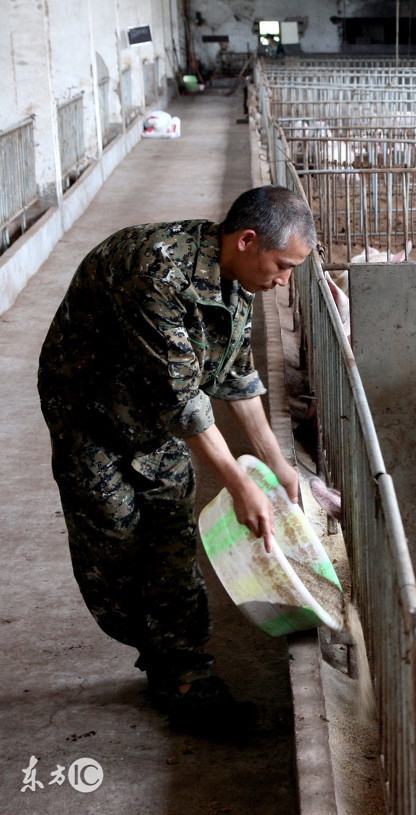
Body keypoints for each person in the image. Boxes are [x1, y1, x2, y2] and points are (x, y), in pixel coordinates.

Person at [38, 185, 316, 737]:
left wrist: (277, 464)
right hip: (91, 418)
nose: (285, 281)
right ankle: (157, 649)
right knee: (116, 547)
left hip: (156, 419)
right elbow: (186, 402)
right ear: (247, 240)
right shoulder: (156, 274)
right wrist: (238, 483)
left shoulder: (238, 278)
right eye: (283, 266)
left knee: (169, 538)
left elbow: (235, 376)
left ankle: (186, 676)